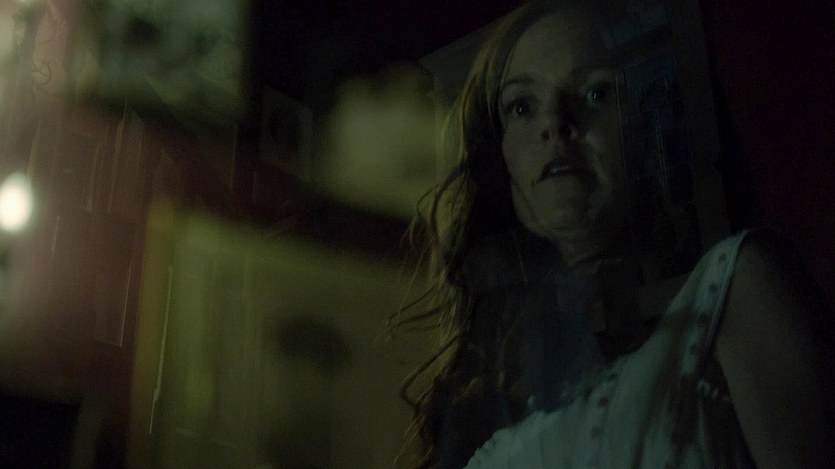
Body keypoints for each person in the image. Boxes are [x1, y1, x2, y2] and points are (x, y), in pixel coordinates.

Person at [400, 1, 835, 468]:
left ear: (652, 117)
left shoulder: (734, 288)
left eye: (596, 93)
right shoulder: (489, 397)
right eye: (522, 106)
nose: (555, 123)